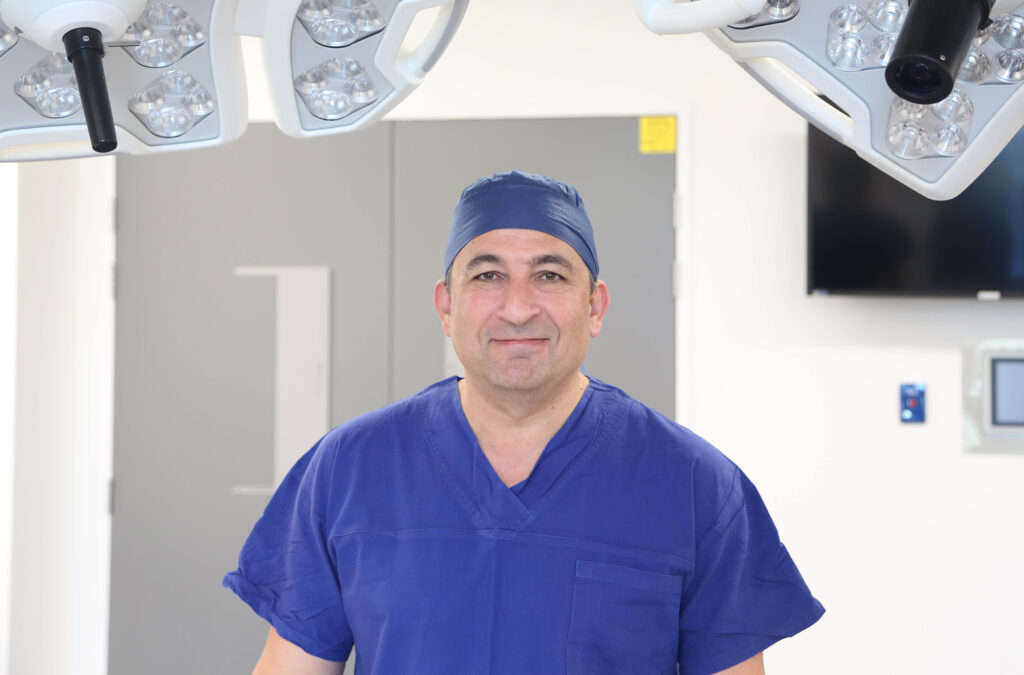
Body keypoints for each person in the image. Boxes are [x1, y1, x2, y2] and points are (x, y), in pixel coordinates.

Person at [223, 170, 824, 675]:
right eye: (487, 275)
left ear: (594, 307)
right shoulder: (348, 470)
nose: (517, 306)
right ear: (446, 306)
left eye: (550, 274)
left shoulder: (695, 485)